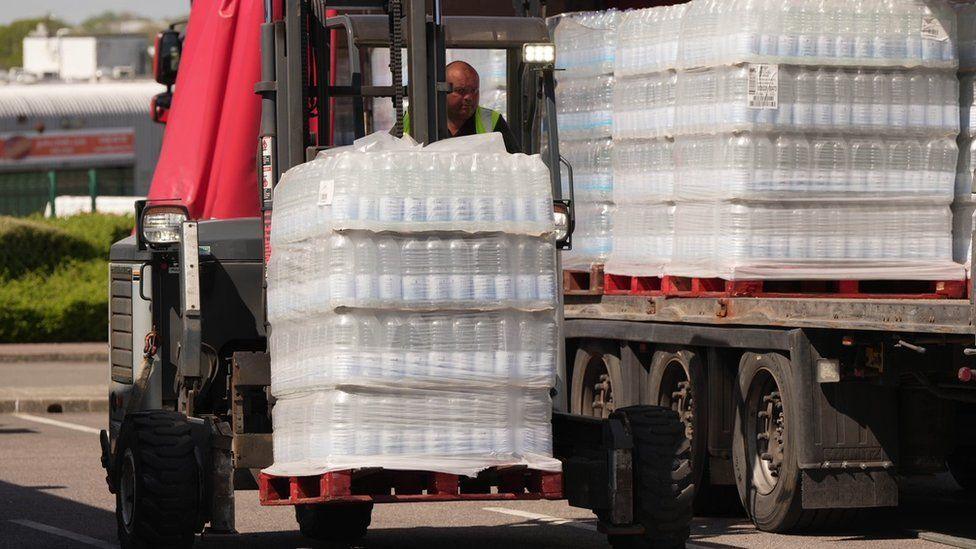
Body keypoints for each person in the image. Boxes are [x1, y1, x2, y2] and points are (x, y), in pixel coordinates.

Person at [401, 61, 521, 153]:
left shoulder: (492, 121)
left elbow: (516, 165)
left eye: (474, 90)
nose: (469, 97)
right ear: (441, 90)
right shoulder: (414, 119)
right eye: (461, 91)